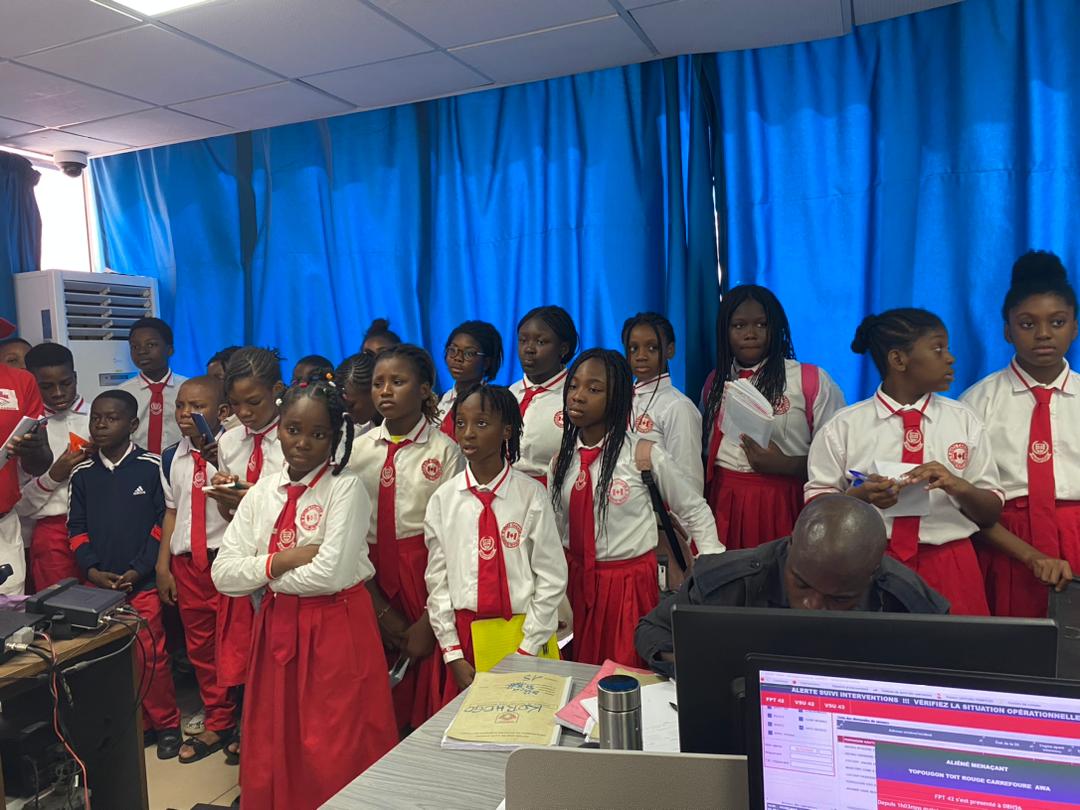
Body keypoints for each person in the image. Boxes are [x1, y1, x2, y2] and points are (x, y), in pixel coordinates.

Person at [212, 377, 396, 810]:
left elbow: (331, 574)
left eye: (318, 434)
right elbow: (223, 574)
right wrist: (281, 561)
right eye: (293, 430)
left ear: (334, 438)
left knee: (336, 737)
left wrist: (263, 576)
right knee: (277, 729)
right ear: (279, 427)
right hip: (277, 624)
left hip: (336, 624)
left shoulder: (345, 488)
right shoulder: (261, 492)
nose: (302, 443)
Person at [806, 308, 1004, 615]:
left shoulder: (965, 422)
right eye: (938, 349)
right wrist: (860, 496)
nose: (950, 358)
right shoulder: (843, 427)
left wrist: (957, 485)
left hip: (950, 563)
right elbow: (815, 512)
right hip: (868, 564)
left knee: (958, 646)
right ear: (898, 360)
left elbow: (991, 512)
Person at [635, 495, 950, 677]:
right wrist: (707, 670)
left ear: (872, 575)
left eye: (839, 599)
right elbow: (653, 631)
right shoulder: (732, 580)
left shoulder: (905, 600)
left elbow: (948, 671)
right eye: (801, 584)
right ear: (790, 547)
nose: (812, 606)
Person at [550, 349, 723, 667]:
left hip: (628, 587)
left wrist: (710, 567)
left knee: (628, 673)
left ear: (618, 398)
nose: (578, 396)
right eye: (573, 386)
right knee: (578, 674)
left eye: (593, 389)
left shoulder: (643, 455)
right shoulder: (561, 462)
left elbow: (694, 509)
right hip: (575, 586)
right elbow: (556, 529)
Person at [425, 384, 567, 704]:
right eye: (461, 423)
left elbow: (551, 576)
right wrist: (452, 652)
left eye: (481, 423)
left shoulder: (531, 496)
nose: (468, 433)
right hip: (465, 637)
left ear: (506, 430)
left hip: (523, 631)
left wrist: (528, 647)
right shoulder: (443, 500)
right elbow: (437, 582)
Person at [349, 344, 461, 731]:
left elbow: (453, 537)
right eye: (378, 383)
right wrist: (379, 608)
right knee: (375, 666)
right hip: (368, 571)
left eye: (398, 382)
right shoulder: (357, 450)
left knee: (423, 663)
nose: (385, 391)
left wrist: (430, 620)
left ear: (424, 389)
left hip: (423, 569)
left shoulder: (445, 450)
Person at [962, 251, 1078, 616]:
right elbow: (962, 500)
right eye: (1027, 324)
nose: (1043, 334)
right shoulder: (976, 403)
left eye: (1057, 322)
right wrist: (1028, 554)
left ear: (1075, 327)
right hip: (1004, 545)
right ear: (1007, 330)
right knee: (1011, 643)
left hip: (1076, 537)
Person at [67, 390, 181, 758]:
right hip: (99, 586)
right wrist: (93, 569)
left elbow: (162, 525)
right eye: (95, 418)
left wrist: (138, 569)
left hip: (141, 582)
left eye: (111, 418)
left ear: (132, 424)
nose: (100, 425)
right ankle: (138, 724)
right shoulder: (82, 473)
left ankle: (167, 724)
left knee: (151, 656)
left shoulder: (151, 466)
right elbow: (76, 529)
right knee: (112, 660)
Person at [702, 285, 845, 550]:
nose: (751, 333)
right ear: (725, 332)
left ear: (776, 328)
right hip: (724, 499)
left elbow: (840, 460)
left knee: (781, 571)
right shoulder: (714, 382)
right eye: (739, 326)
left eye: (762, 324)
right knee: (726, 573)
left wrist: (786, 465)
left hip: (784, 499)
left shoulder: (809, 380)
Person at [206, 346, 286, 763]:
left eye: (253, 402)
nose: (244, 412)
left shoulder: (296, 433)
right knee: (247, 654)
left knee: (281, 657)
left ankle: (280, 739)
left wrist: (251, 497)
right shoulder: (229, 440)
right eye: (235, 404)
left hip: (285, 560)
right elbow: (229, 516)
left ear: (277, 390)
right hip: (244, 560)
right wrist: (226, 497)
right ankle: (253, 733)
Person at [156, 376, 235, 764]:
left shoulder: (234, 450)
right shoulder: (170, 457)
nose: (186, 413)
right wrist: (163, 565)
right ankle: (219, 720)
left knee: (237, 646)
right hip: (188, 565)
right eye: (180, 405)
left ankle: (247, 720)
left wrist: (220, 462)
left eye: (197, 407)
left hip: (226, 561)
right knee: (201, 649)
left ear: (222, 412)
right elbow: (172, 512)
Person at [17, 343, 91, 589]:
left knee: (106, 603)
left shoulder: (101, 417)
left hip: (101, 526)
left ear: (75, 378)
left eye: (66, 383)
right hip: (51, 532)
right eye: (46, 386)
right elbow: (19, 504)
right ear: (31, 383)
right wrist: (53, 476)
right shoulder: (25, 430)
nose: (58, 393)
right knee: (59, 605)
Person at [623, 311, 704, 496]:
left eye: (652, 348)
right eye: (633, 348)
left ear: (670, 350)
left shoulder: (678, 407)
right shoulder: (621, 399)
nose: (641, 356)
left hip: (656, 510)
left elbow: (689, 483)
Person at [0, 356, 52, 595]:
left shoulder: (21, 381)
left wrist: (34, 448)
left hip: (3, 523)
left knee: (10, 612)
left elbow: (38, 464)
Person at [510, 306, 578, 485]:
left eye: (540, 342)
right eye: (523, 340)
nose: (529, 349)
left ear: (563, 349)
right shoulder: (509, 394)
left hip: (555, 492)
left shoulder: (575, 397)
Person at [119, 317, 187, 454]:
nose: (142, 351)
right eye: (135, 347)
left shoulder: (187, 388)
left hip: (181, 461)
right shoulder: (122, 394)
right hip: (137, 463)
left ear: (170, 350)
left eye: (151, 345)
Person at [437, 321, 503, 438]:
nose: (458, 358)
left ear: (486, 362)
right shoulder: (439, 401)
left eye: (469, 353)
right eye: (453, 350)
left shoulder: (494, 404)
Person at [335, 352, 379, 434]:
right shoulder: (360, 436)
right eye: (345, 408)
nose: (349, 415)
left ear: (372, 390)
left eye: (351, 406)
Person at [207, 346, 241, 431]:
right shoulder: (210, 417)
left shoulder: (248, 422)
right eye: (208, 379)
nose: (210, 384)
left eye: (218, 378)